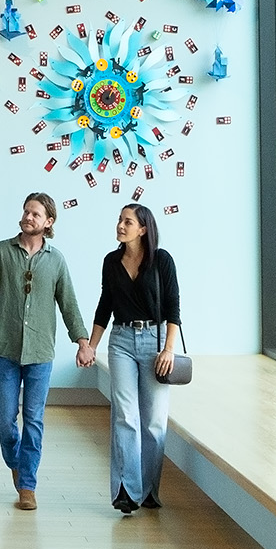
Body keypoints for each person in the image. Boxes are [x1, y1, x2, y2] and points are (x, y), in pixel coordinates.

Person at [0, 193, 90, 511]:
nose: (28, 217)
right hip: (5, 350)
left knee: (34, 420)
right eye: (26, 211)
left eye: (35, 214)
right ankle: (16, 461)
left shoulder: (56, 260)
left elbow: (69, 303)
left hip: (40, 354)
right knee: (7, 422)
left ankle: (27, 486)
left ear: (48, 222)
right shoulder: (2, 251)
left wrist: (82, 341)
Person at [79, 203, 182, 515]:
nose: (120, 225)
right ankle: (127, 490)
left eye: (127, 221)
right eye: (119, 219)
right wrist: (90, 346)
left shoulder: (162, 260)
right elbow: (104, 306)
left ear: (143, 229)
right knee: (125, 415)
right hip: (121, 340)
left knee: (153, 421)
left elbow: (173, 307)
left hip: (155, 341)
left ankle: (149, 489)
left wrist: (168, 349)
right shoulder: (111, 262)